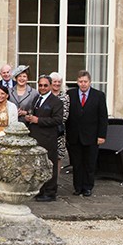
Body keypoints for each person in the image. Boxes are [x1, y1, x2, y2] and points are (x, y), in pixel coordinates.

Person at [66, 70, 108, 197]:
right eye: (80, 82)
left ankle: (88, 187)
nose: (83, 84)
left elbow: (103, 117)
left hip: (92, 136)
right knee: (77, 164)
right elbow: (67, 115)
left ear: (90, 82)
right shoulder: (70, 94)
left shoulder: (99, 95)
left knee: (89, 163)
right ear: (77, 82)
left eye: (85, 82)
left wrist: (102, 135)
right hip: (74, 136)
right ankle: (78, 187)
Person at [25, 74, 65, 202]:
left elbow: (58, 120)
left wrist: (38, 120)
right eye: (40, 85)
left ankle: (50, 192)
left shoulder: (56, 101)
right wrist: (29, 118)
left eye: (45, 85)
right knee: (38, 165)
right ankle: (41, 189)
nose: (42, 87)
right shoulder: (36, 98)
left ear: (50, 86)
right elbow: (34, 113)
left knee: (49, 165)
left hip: (48, 138)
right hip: (35, 137)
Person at [49, 72, 71, 171]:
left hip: (59, 131)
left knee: (58, 156)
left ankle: (55, 181)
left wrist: (49, 120)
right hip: (45, 131)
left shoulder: (65, 97)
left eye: (59, 82)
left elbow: (64, 116)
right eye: (54, 82)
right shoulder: (45, 95)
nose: (57, 84)